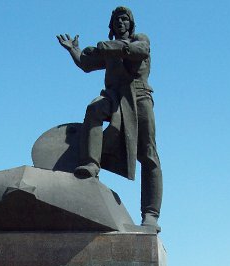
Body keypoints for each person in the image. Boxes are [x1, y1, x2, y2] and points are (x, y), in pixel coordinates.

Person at [57, 6, 163, 231]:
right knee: (94, 108)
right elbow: (86, 63)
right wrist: (74, 50)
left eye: (124, 19)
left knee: (148, 155)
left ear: (131, 24)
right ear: (111, 26)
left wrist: (108, 47)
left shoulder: (140, 39)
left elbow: (139, 51)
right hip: (114, 97)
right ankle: (91, 164)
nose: (120, 23)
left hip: (139, 97)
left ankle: (150, 215)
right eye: (116, 20)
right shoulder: (108, 50)